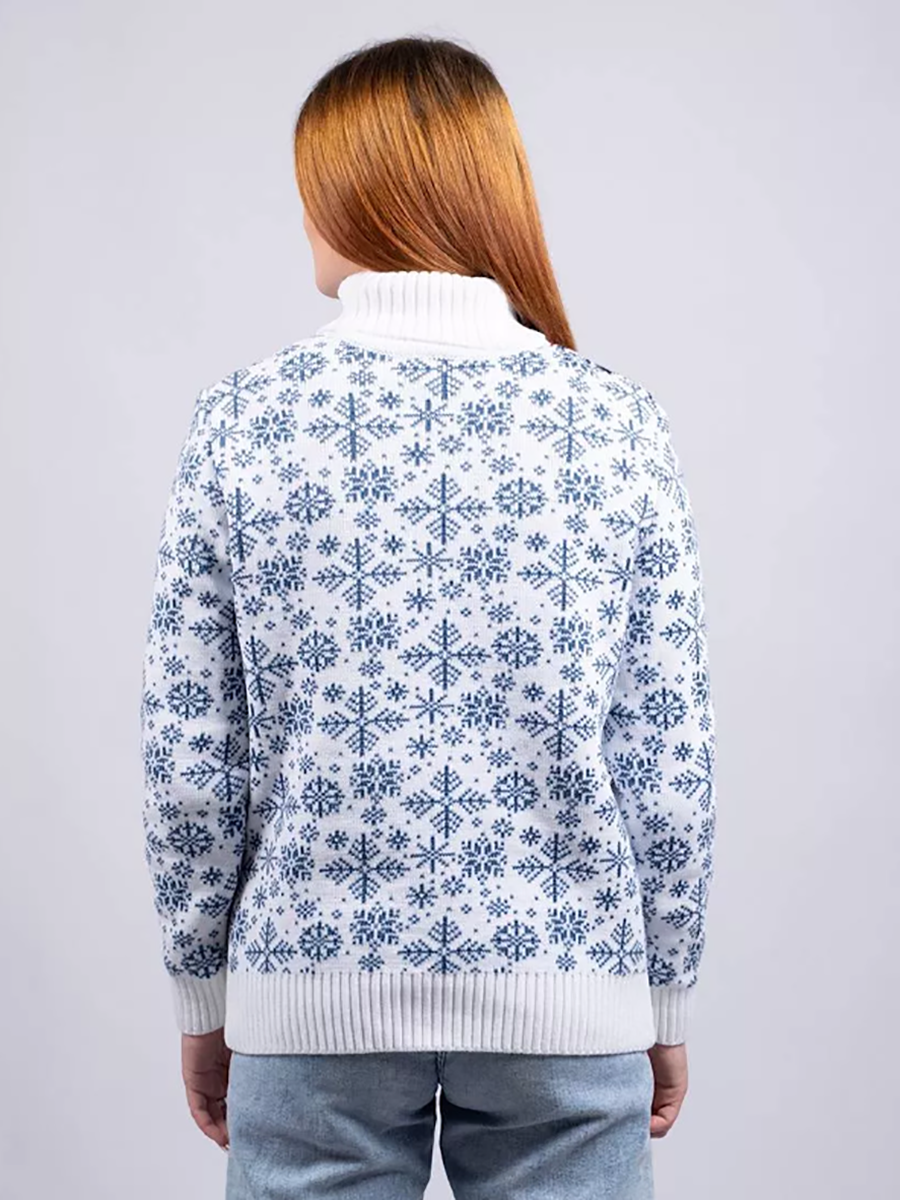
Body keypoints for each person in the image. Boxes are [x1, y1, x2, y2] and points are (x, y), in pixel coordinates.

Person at [139, 33, 717, 1200]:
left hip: (308, 1003)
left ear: (352, 192)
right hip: (568, 1002)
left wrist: (206, 994)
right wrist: (662, 999)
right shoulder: (615, 423)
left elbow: (191, 757)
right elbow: (668, 757)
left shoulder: (244, 421)